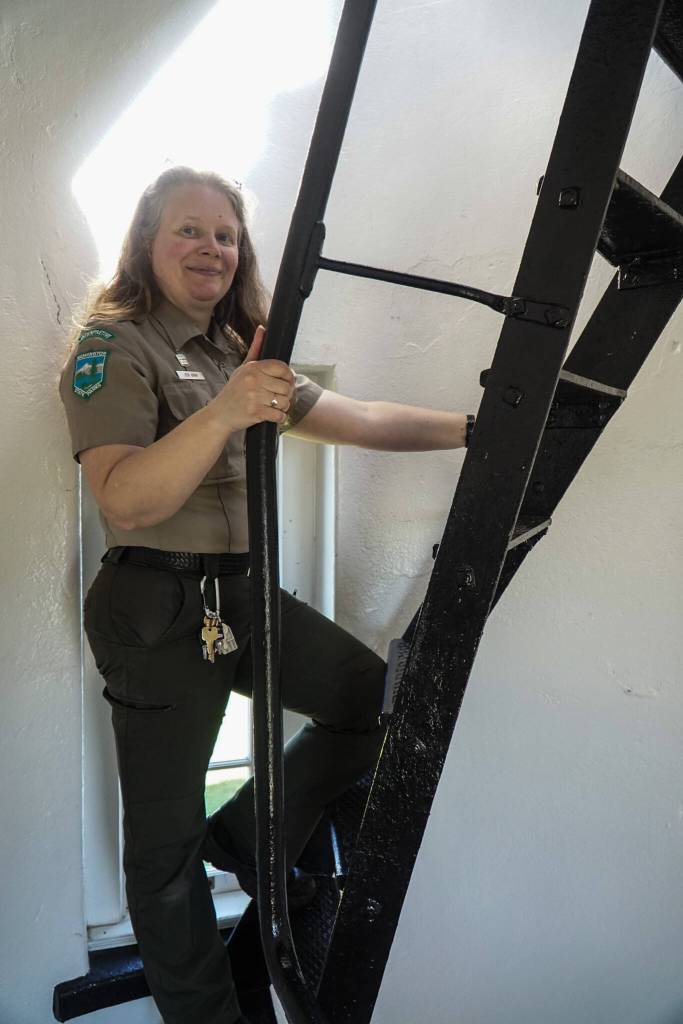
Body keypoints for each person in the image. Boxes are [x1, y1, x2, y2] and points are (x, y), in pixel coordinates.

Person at [59, 166, 472, 1024]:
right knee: (164, 858)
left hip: (241, 597)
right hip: (156, 607)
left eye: (225, 233)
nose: (210, 247)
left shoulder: (242, 350)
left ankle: (245, 833)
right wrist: (226, 413)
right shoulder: (113, 344)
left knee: (373, 702)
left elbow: (360, 419)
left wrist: (479, 429)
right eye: (188, 229)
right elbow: (126, 500)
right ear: (146, 241)